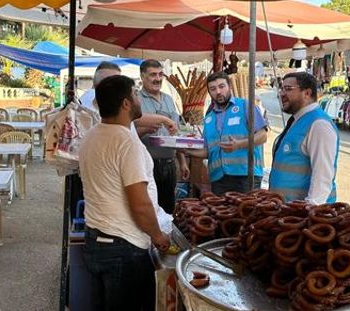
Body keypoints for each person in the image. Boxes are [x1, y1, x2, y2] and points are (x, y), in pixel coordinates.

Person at [79, 75, 170, 311]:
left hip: (96, 240)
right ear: (126, 103)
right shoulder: (125, 143)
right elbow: (139, 204)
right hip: (123, 248)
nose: (140, 98)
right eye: (136, 94)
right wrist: (157, 236)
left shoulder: (91, 136)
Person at [186, 72, 268, 194]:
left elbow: (263, 136)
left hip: (246, 175)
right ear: (209, 93)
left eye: (221, 86)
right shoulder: (209, 118)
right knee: (220, 212)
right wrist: (185, 150)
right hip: (219, 178)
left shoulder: (245, 106)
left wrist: (240, 144)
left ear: (229, 86)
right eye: (213, 89)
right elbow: (209, 151)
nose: (218, 91)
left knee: (245, 212)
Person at [269, 72, 339, 204]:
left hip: (301, 215)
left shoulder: (319, 124)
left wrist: (310, 210)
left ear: (306, 93)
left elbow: (322, 175)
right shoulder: (298, 119)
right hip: (287, 211)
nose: (281, 94)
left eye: (288, 89)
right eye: (282, 89)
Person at [138, 59, 189, 214]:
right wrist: (146, 129)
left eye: (160, 74)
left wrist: (183, 162)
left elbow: (176, 132)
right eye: (153, 75)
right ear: (142, 76)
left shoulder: (168, 99)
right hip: (145, 164)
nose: (158, 79)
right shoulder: (136, 100)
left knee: (168, 208)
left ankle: (166, 237)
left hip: (169, 164)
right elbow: (129, 133)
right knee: (148, 208)